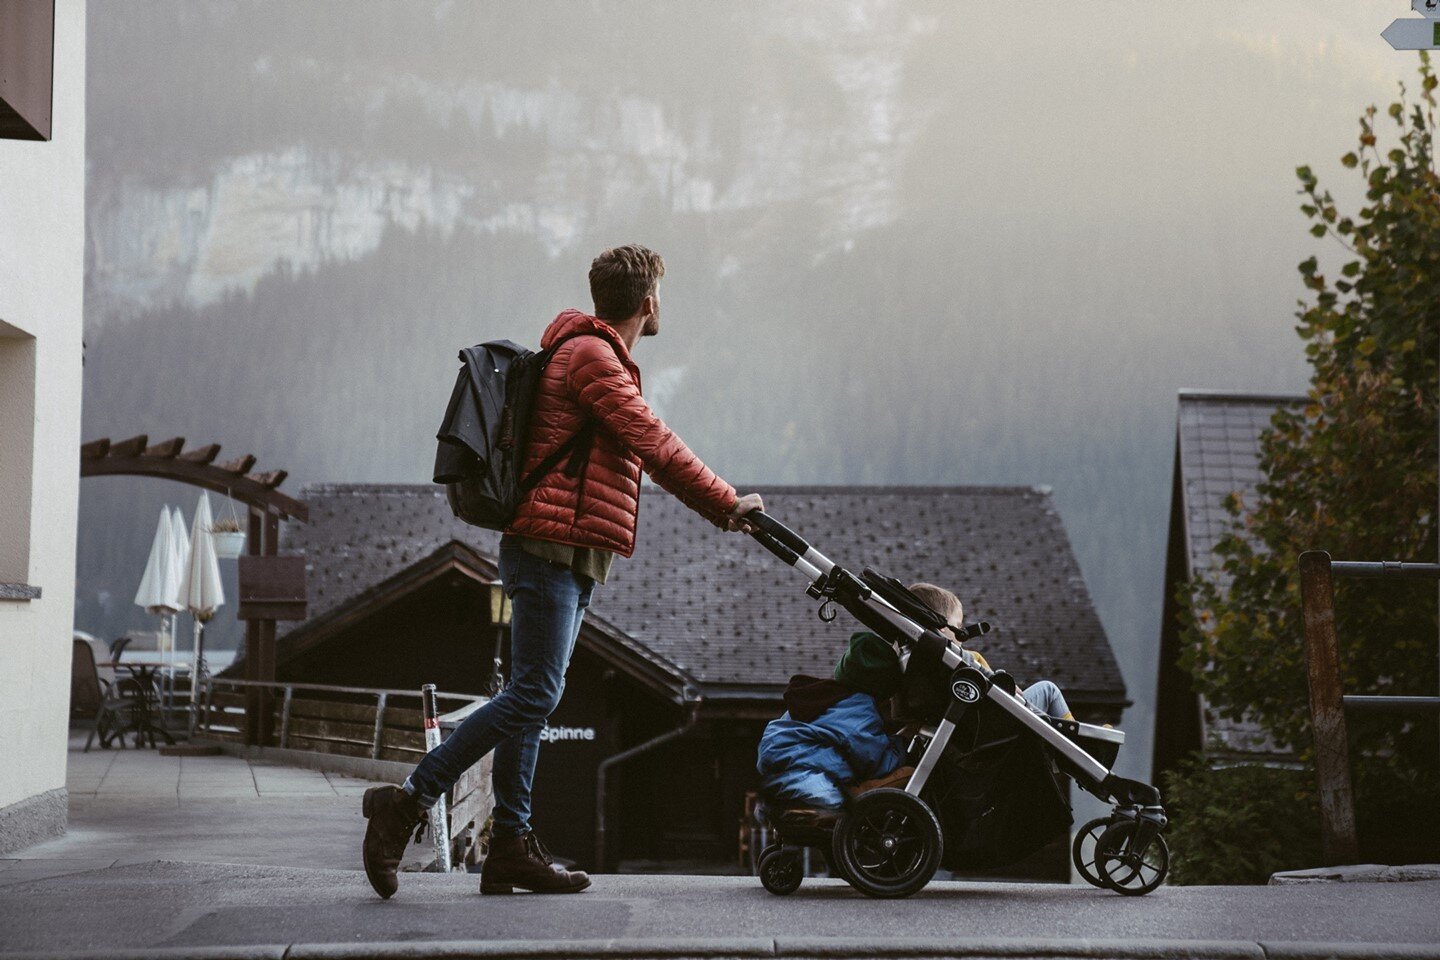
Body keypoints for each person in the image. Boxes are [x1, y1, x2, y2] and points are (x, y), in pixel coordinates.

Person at [362, 244, 764, 899]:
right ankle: (406, 802)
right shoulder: (591, 358)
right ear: (648, 301)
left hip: (568, 553)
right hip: (547, 549)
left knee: (530, 699)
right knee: (533, 696)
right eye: (661, 293)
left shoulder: (591, 353)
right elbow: (652, 442)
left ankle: (511, 848)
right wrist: (726, 503)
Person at [755, 632, 910, 818]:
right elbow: (876, 761)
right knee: (906, 774)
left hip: (780, 773)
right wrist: (903, 743)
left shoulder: (822, 695)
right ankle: (853, 797)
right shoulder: (858, 708)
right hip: (808, 780)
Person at [906, 582, 1074, 721]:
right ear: (942, 625)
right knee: (1047, 689)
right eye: (958, 626)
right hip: (999, 718)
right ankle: (1076, 739)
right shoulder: (952, 655)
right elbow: (996, 683)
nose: (962, 631)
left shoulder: (921, 657)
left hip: (977, 720)